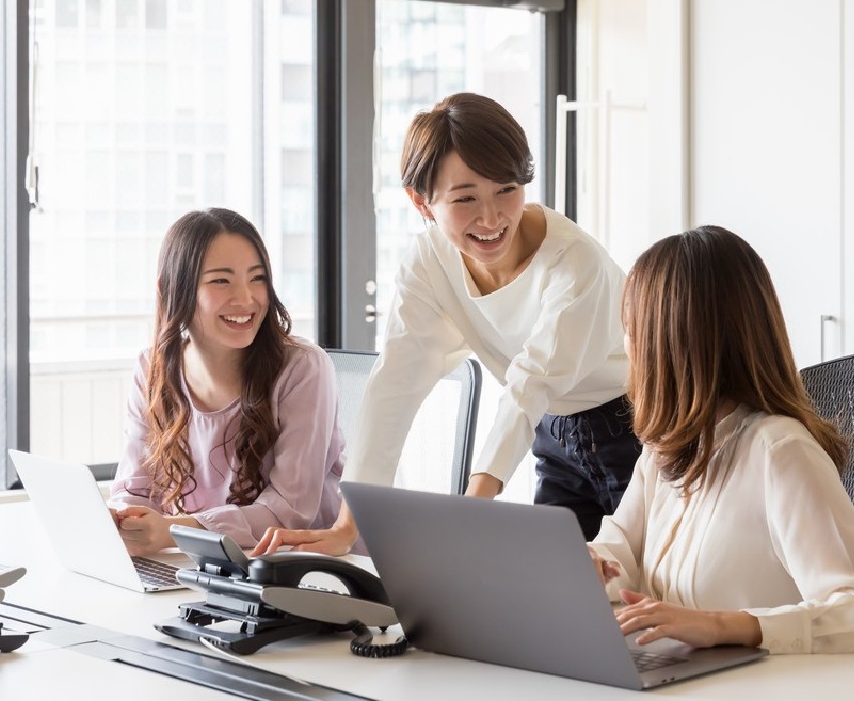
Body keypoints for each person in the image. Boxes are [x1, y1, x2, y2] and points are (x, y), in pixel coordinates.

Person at [254, 92, 641, 556]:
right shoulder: (428, 265)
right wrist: (347, 525)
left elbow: (531, 383)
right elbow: (393, 388)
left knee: (645, 596)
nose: (493, 218)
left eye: (507, 190)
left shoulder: (573, 262)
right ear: (421, 202)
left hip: (635, 428)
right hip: (553, 434)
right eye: (465, 199)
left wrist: (469, 510)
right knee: (560, 592)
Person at [587, 225, 854, 654]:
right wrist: (592, 565)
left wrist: (727, 626)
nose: (625, 346)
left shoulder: (779, 453)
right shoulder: (665, 448)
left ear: (673, 344)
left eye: (631, 329)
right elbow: (622, 549)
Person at [108, 208, 351, 556]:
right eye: (221, 281)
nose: (246, 299)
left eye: (257, 278)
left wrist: (173, 531)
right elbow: (133, 488)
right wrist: (125, 519)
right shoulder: (153, 368)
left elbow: (289, 512)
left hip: (305, 571)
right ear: (174, 288)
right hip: (206, 564)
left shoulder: (304, 368)